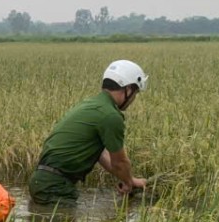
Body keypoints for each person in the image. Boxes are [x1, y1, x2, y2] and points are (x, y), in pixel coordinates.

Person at [28, 59, 149, 205]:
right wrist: (129, 183)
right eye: (135, 93)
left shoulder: (91, 105)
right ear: (128, 89)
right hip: (55, 187)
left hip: (40, 180)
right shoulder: (110, 115)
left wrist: (128, 179)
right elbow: (120, 162)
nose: (134, 99)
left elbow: (101, 154)